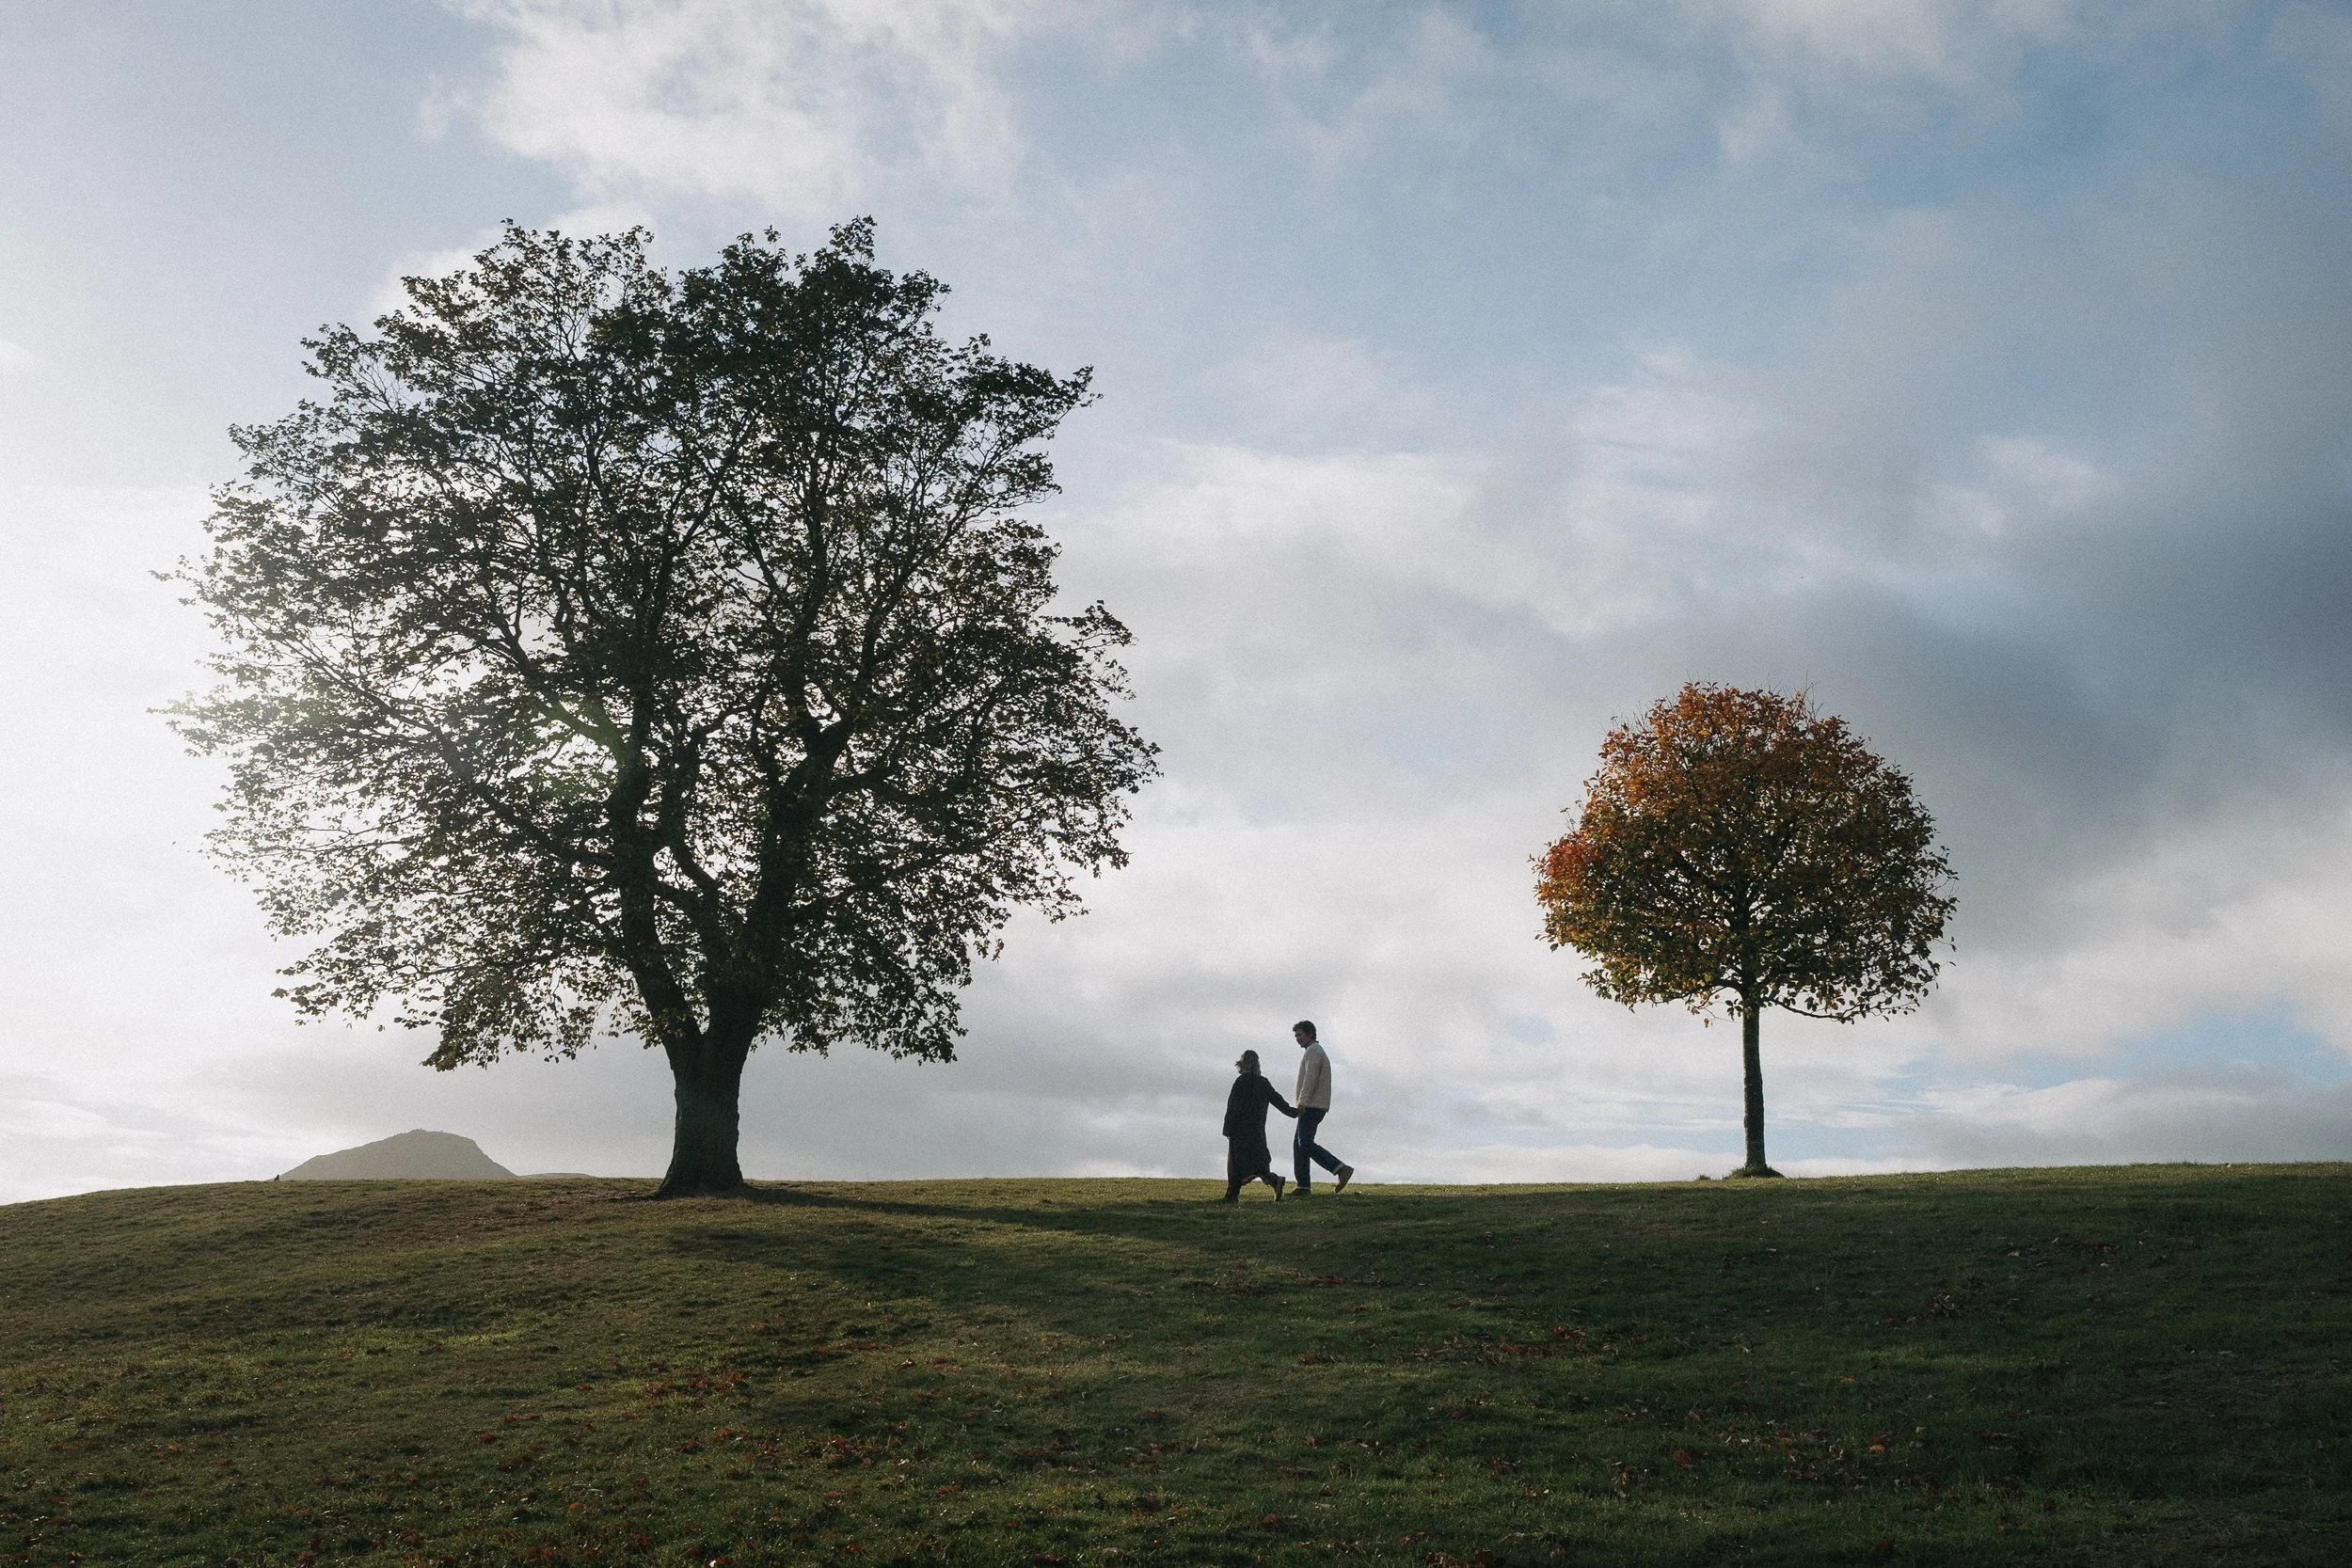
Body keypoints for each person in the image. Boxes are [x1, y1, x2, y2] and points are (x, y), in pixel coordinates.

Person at [1290, 1020, 1356, 1195]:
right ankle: (1303, 1186)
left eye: (1300, 1035)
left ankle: (1340, 1168)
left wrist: (1302, 1102)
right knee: (1299, 1145)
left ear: (1310, 1033)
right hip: (1315, 1105)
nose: (1297, 1039)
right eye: (1295, 1036)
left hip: (1312, 1105)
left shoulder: (1314, 1051)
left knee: (1304, 1143)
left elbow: (1310, 1078)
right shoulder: (1314, 1051)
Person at [1221, 1050, 1295, 1202]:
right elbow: (1278, 1101)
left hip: (1239, 1130)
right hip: (1257, 1131)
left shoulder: (1240, 1082)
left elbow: (1233, 1107)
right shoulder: (1263, 1083)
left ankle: (1231, 1195)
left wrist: (1227, 1127)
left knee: (1235, 1164)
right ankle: (1275, 1181)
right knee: (1259, 1163)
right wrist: (1294, 1112)